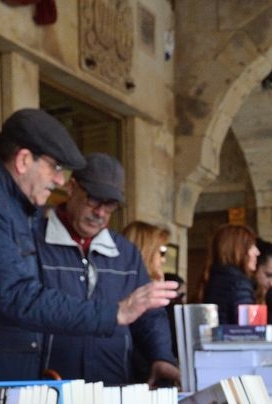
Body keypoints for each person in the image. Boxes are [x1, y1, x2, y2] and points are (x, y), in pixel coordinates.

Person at [0, 108, 176, 382]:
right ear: (24, 160)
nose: (59, 180)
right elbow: (16, 295)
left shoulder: (13, 205)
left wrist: (160, 353)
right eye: (55, 167)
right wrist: (115, 312)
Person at [39, 153, 179, 386]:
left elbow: (149, 314)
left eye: (111, 205)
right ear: (72, 188)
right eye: (93, 200)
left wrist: (161, 356)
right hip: (47, 385)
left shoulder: (125, 253)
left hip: (113, 383)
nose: (101, 213)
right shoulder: (35, 241)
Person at [200, 223, 260, 325]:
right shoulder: (239, 283)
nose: (257, 252)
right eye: (251, 247)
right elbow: (249, 330)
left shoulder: (214, 278)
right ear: (237, 250)